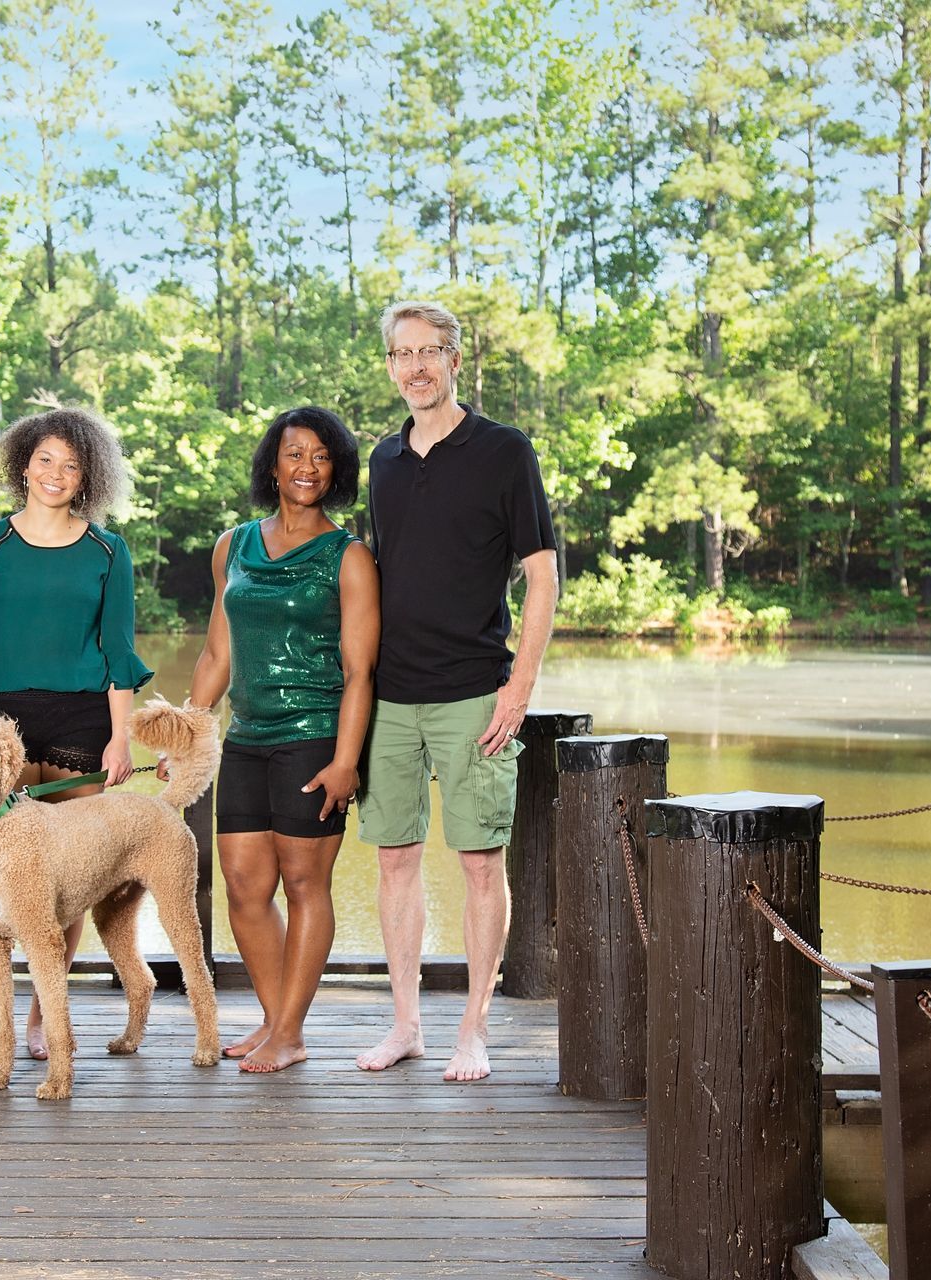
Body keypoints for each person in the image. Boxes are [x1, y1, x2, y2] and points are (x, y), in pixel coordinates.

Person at [355, 300, 559, 1083]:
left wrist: (519, 684)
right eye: (402, 354)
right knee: (394, 860)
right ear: (390, 367)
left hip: (476, 689)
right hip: (391, 697)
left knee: (480, 863)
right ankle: (406, 1023)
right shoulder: (383, 462)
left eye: (429, 352)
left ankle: (472, 1028)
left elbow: (541, 575)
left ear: (454, 359)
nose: (416, 367)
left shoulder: (505, 452)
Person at [0, 407, 153, 1068]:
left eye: (71, 465)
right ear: (24, 465)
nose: (56, 474)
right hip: (1, 727)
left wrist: (120, 740)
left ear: (88, 478)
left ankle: (42, 1020)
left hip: (82, 722)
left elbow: (117, 653)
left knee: (62, 880)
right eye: (46, 460)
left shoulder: (109, 550)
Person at [183, 406, 378, 1073]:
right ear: (273, 464)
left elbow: (360, 673)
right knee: (242, 883)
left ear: (337, 471)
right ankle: (276, 1023)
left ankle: (290, 1033)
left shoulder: (347, 557)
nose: (307, 468)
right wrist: (186, 730)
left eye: (322, 457)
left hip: (314, 736)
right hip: (245, 738)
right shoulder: (231, 545)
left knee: (303, 882)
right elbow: (216, 655)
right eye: (295, 454)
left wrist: (346, 761)